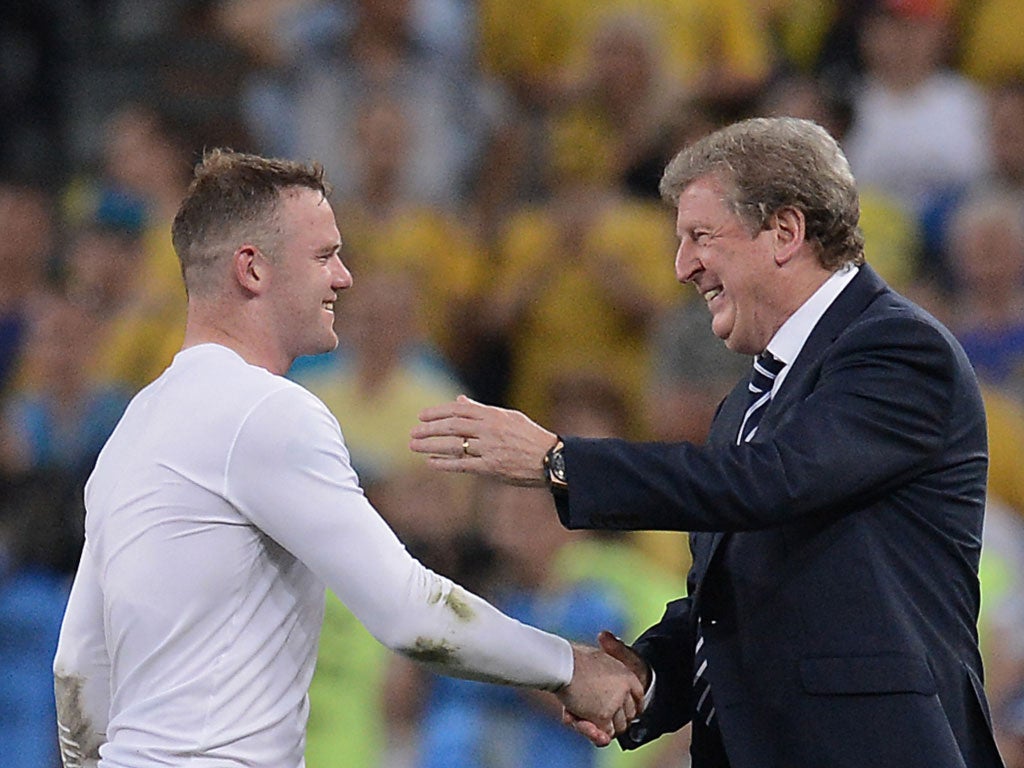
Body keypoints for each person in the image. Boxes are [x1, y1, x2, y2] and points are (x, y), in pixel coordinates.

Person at [409, 117, 1005, 768]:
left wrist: (559, 462)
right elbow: (734, 603)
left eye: (700, 237)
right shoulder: (749, 401)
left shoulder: (897, 350)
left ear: (785, 231)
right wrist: (647, 679)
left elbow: (768, 483)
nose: (683, 267)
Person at [51, 149, 644, 768]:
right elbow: (410, 613)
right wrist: (567, 667)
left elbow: (76, 668)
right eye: (324, 256)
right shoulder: (270, 412)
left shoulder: (134, 428)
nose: (344, 278)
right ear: (252, 270)